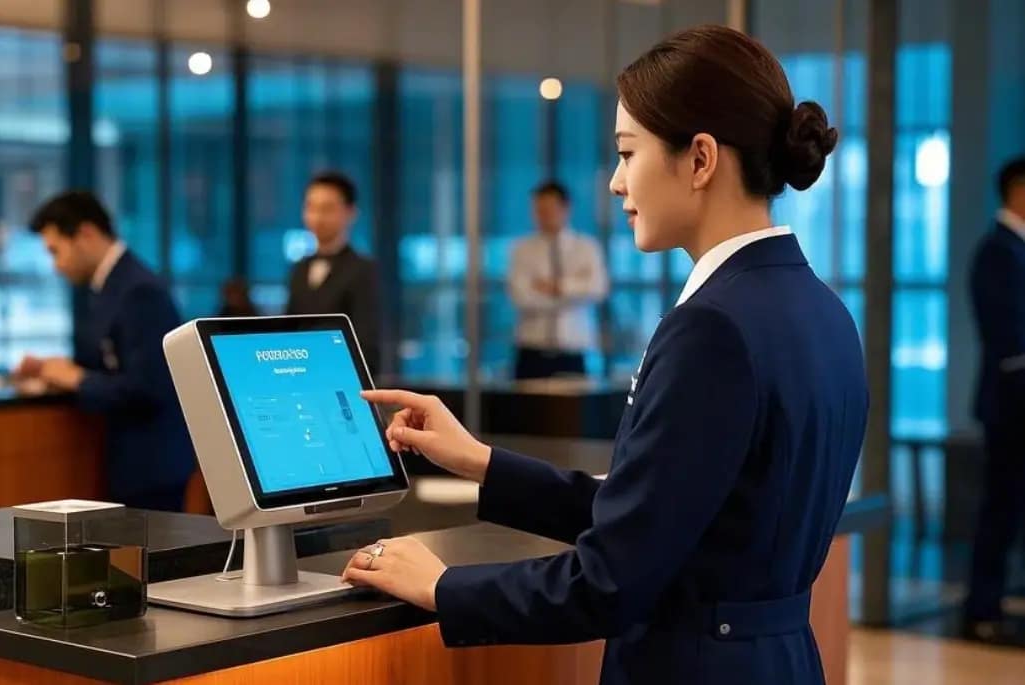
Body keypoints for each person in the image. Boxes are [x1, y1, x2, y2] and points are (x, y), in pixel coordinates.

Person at [341, 25, 868, 685]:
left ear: (701, 159)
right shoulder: (823, 310)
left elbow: (611, 579)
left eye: (627, 152)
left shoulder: (711, 329)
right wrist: (481, 461)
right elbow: (663, 511)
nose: (617, 183)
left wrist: (445, 585)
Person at [16, 191, 194, 512]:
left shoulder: (138, 290)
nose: (56, 266)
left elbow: (147, 386)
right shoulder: (109, 285)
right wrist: (57, 371)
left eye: (56, 251)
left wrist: (77, 379)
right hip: (133, 464)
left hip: (152, 467)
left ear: (85, 234)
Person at [964, 156, 1025, 646]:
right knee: (1000, 509)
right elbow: (1005, 336)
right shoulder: (996, 251)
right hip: (1010, 405)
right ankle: (981, 609)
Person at [509, 181, 607, 379]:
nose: (543, 215)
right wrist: (575, 292)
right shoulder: (522, 249)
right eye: (539, 210)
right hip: (531, 351)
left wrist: (557, 287)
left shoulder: (586, 247)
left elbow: (597, 289)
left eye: (549, 209)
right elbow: (521, 297)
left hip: (572, 351)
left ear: (565, 208)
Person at [285, 171, 381, 371]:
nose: (317, 217)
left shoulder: (363, 269)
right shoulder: (299, 268)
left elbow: (367, 344)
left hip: (341, 377)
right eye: (311, 207)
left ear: (350, 213)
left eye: (327, 208)